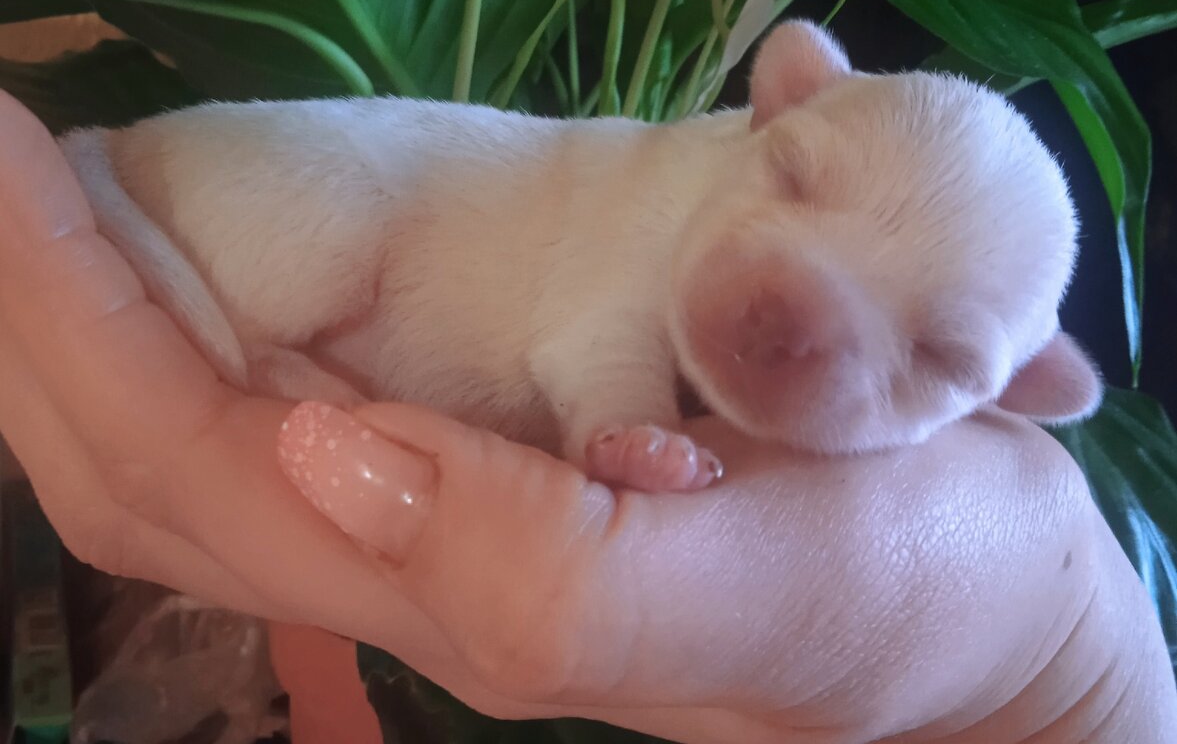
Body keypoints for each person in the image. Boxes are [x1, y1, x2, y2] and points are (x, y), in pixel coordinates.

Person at [0, 90, 1172, 744]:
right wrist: (625, 417)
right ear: (768, 109)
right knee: (343, 206)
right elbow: (582, 336)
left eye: (938, 351)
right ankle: (249, 334)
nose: (800, 307)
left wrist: (1057, 671)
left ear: (1013, 398)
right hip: (255, 200)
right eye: (793, 179)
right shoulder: (653, 196)